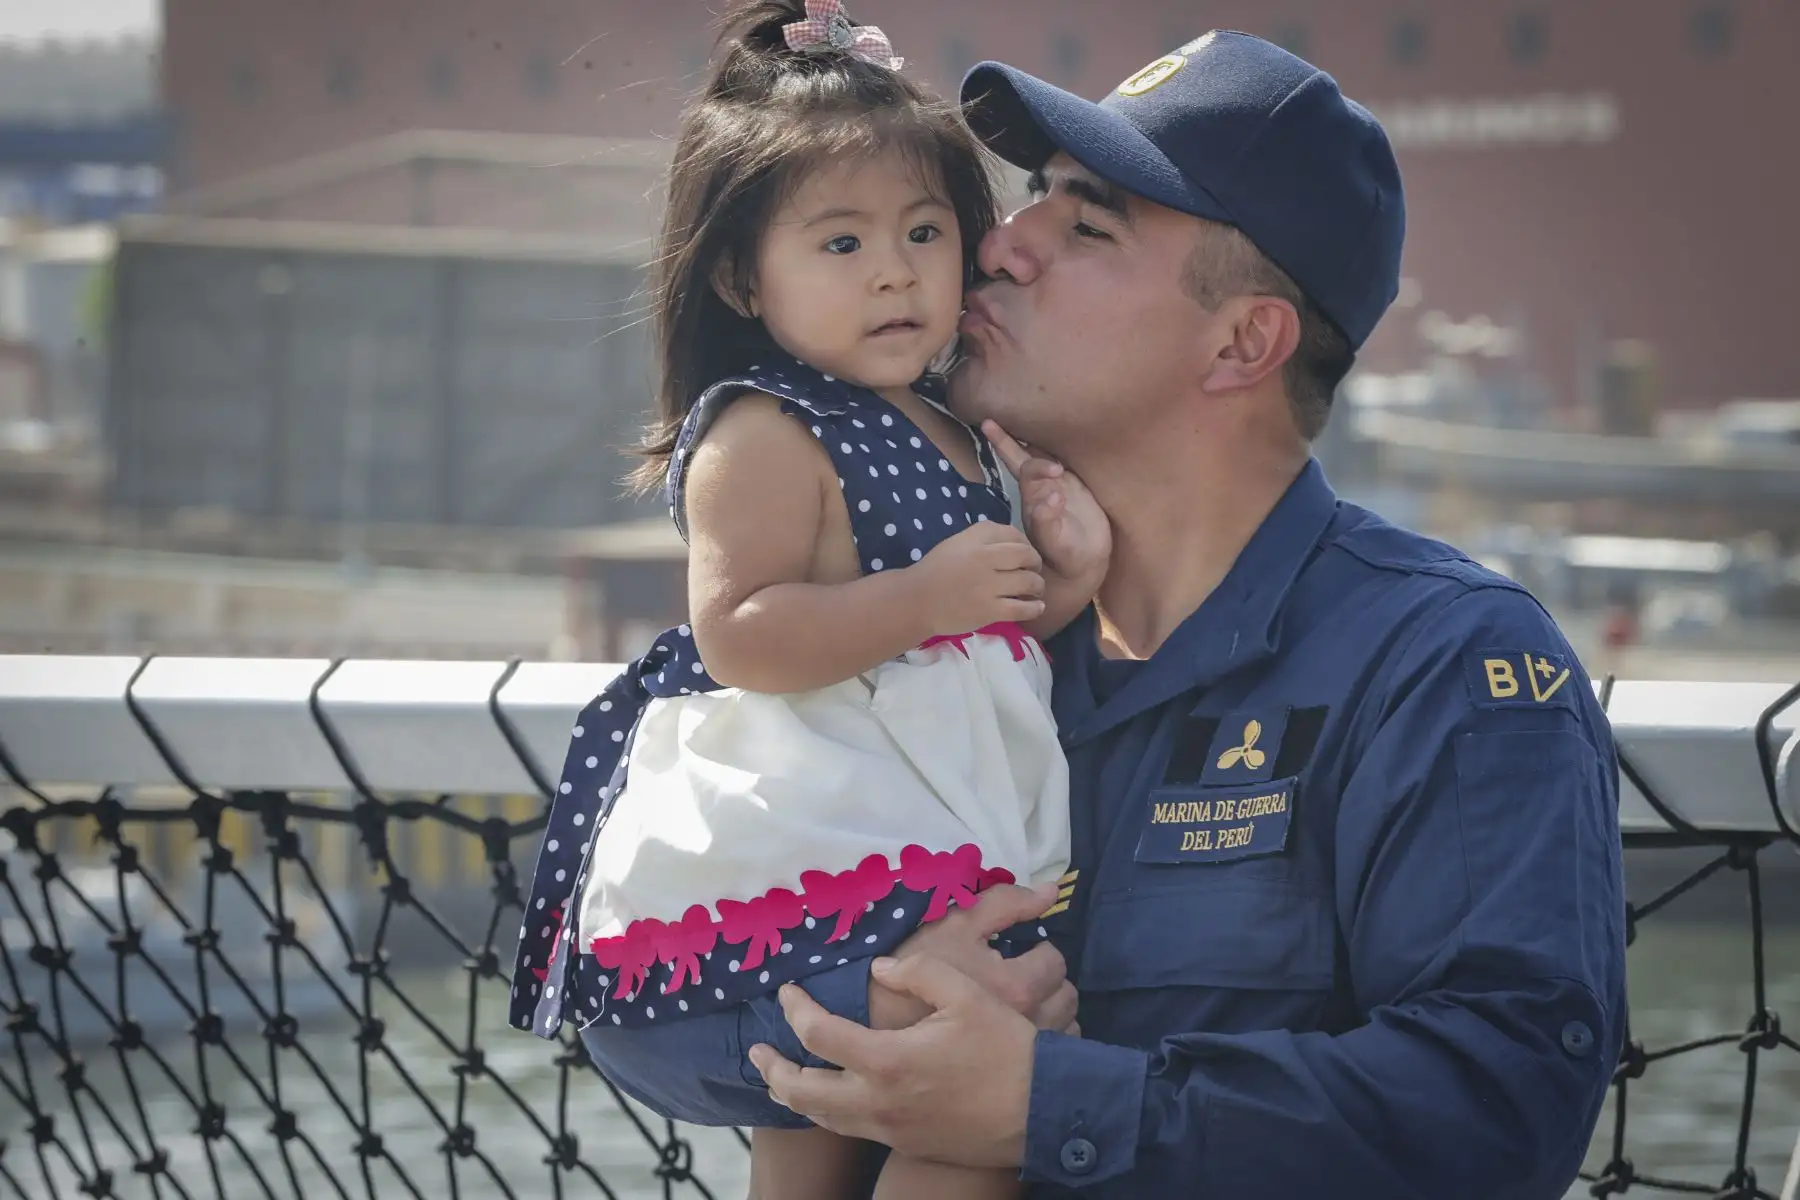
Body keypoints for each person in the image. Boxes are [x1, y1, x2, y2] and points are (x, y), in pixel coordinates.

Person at [744, 29, 1630, 1199]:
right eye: (1033, 202)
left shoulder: (1444, 665)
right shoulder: (940, 645)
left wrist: (1037, 1106)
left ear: (1244, 342)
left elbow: (1500, 1106)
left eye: (1088, 224)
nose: (999, 245)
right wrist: (858, 1017)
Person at [507, 3, 1109, 1198]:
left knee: (858, 1117)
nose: (895, 270)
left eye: (925, 231)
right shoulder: (768, 428)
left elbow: (961, 654)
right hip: (809, 862)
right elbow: (743, 634)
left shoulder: (950, 424)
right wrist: (935, 594)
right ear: (740, 273)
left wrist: (1062, 583)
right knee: (945, 1099)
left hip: (923, 834)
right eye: (840, 245)